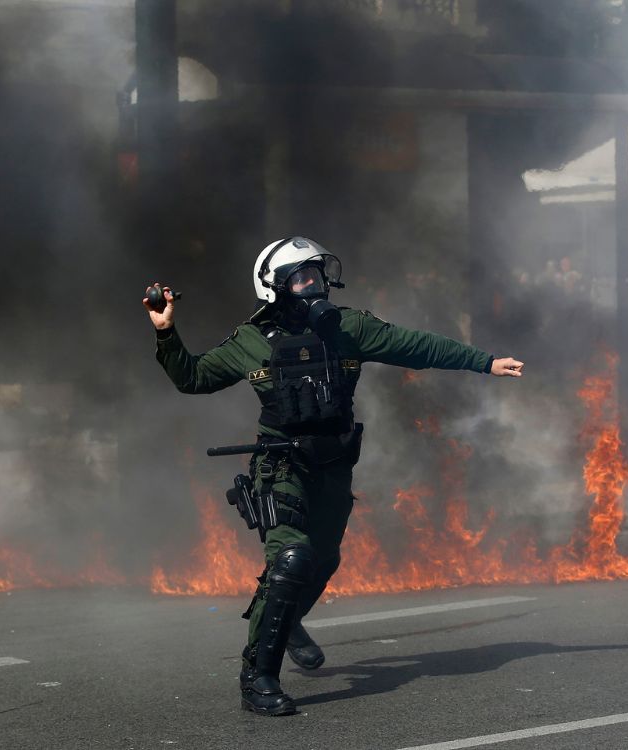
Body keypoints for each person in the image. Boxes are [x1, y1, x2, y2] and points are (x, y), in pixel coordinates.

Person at [145, 236, 524, 716]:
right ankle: (257, 677)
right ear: (274, 289)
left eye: (317, 275)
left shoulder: (349, 327)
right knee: (291, 558)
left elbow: (418, 346)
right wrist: (166, 332)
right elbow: (192, 378)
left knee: (322, 562)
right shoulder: (249, 341)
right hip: (281, 464)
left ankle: (288, 621)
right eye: (301, 278)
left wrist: (485, 362)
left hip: (334, 465)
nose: (314, 286)